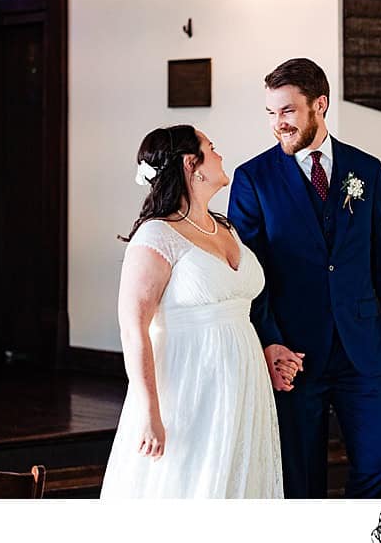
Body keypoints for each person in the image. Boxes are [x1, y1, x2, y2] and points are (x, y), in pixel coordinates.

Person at [229, 58, 381, 500]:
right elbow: (250, 275)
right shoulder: (252, 179)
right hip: (295, 353)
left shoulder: (366, 170)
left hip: (363, 349)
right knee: (301, 480)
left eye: (288, 111)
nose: (278, 124)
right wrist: (270, 341)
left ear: (320, 104)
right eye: (271, 113)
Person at [100, 126, 285, 499]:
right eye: (211, 148)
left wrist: (270, 350)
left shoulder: (226, 228)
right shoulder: (156, 236)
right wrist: (149, 411)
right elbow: (133, 329)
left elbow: (237, 308)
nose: (219, 154)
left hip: (242, 381)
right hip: (191, 384)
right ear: (191, 164)